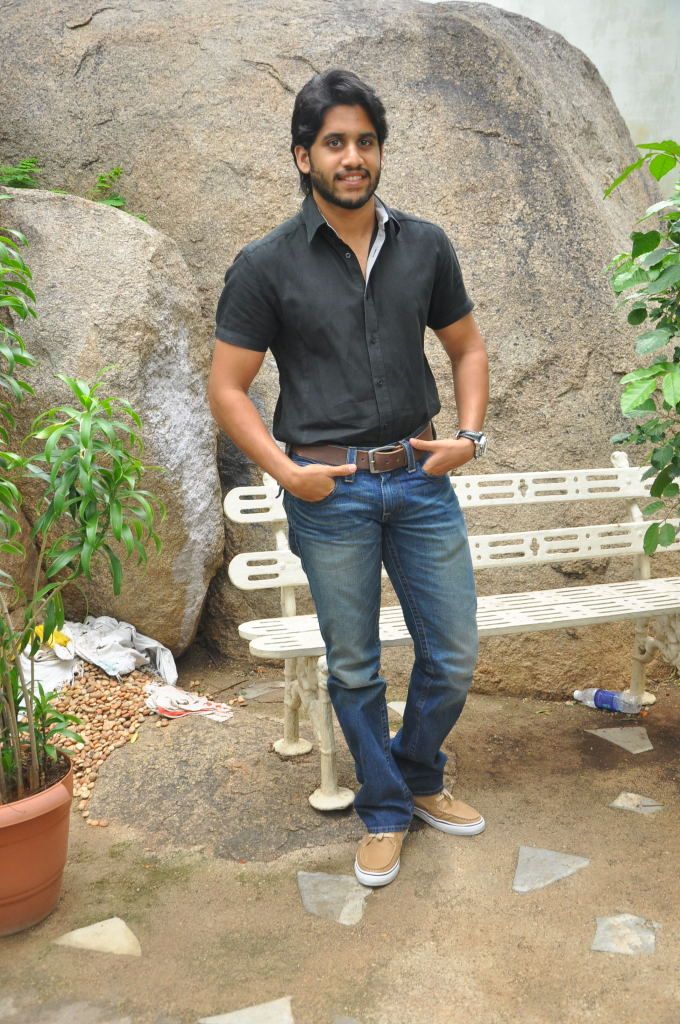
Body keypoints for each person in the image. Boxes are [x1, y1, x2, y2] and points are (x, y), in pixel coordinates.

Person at [208, 69, 489, 888]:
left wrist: (468, 437)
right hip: (329, 492)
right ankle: (385, 806)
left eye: (365, 141)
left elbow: (467, 346)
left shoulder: (425, 246)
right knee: (356, 664)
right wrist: (286, 472)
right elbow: (228, 387)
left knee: (455, 652)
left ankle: (418, 771)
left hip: (420, 477)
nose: (352, 156)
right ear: (304, 157)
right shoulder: (265, 264)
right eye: (334, 142)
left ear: (380, 151)